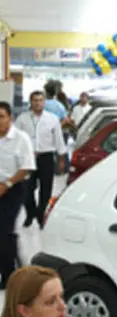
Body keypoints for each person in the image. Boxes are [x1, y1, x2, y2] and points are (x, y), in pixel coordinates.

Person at [14, 91, 66, 229]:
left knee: (46, 188)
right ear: (30, 102)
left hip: (46, 157)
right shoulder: (22, 119)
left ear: (44, 102)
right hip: (27, 159)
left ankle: (41, 214)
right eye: (35, 100)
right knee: (26, 189)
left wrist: (61, 159)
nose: (37, 103)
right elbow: (15, 139)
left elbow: (59, 140)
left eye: (40, 100)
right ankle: (30, 213)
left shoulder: (52, 119)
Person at [0, 102, 34, 290]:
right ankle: (17, 263)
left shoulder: (21, 139)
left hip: (14, 187)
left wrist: (7, 184)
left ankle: (8, 275)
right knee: (4, 233)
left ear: (10, 118)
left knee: (4, 230)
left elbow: (26, 167)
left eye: (1, 117)